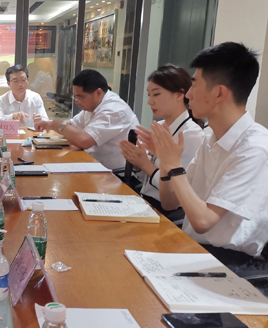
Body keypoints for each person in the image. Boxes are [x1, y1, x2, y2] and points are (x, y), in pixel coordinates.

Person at [139, 43, 268, 268]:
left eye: (194, 85)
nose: (188, 94)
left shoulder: (255, 148)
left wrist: (173, 165)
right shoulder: (211, 139)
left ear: (219, 93)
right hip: (195, 248)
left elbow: (203, 221)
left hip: (231, 262)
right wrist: (167, 164)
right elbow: (169, 202)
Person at [119, 64, 205, 219]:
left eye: (156, 94)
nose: (150, 102)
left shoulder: (191, 135)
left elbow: (178, 191)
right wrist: (137, 164)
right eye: (149, 95)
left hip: (169, 214)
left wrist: (145, 164)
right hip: (146, 202)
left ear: (179, 95)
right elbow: (147, 181)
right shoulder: (159, 127)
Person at [35, 69, 139, 169]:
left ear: (98, 93)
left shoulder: (114, 110)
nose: (77, 101)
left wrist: (59, 125)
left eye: (80, 97)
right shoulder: (92, 106)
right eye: (75, 96)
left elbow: (83, 141)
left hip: (115, 174)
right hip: (94, 164)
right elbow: (73, 125)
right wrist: (50, 124)